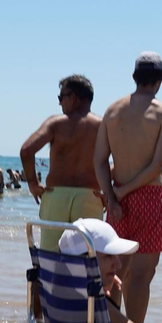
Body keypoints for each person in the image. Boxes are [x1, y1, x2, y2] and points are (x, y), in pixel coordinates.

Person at [95, 53, 162, 323]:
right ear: (159, 81)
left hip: (118, 201)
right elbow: (156, 166)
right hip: (150, 198)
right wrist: (122, 191)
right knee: (141, 276)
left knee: (116, 271)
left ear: (134, 78)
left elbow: (99, 160)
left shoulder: (112, 110)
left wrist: (112, 194)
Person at [21, 75, 105, 251]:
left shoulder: (56, 123)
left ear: (73, 97)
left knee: (51, 256)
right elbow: (120, 161)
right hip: (90, 197)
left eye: (61, 97)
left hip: (56, 196)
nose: (60, 103)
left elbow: (27, 150)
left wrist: (33, 184)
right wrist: (110, 194)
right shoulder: (103, 126)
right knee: (87, 258)